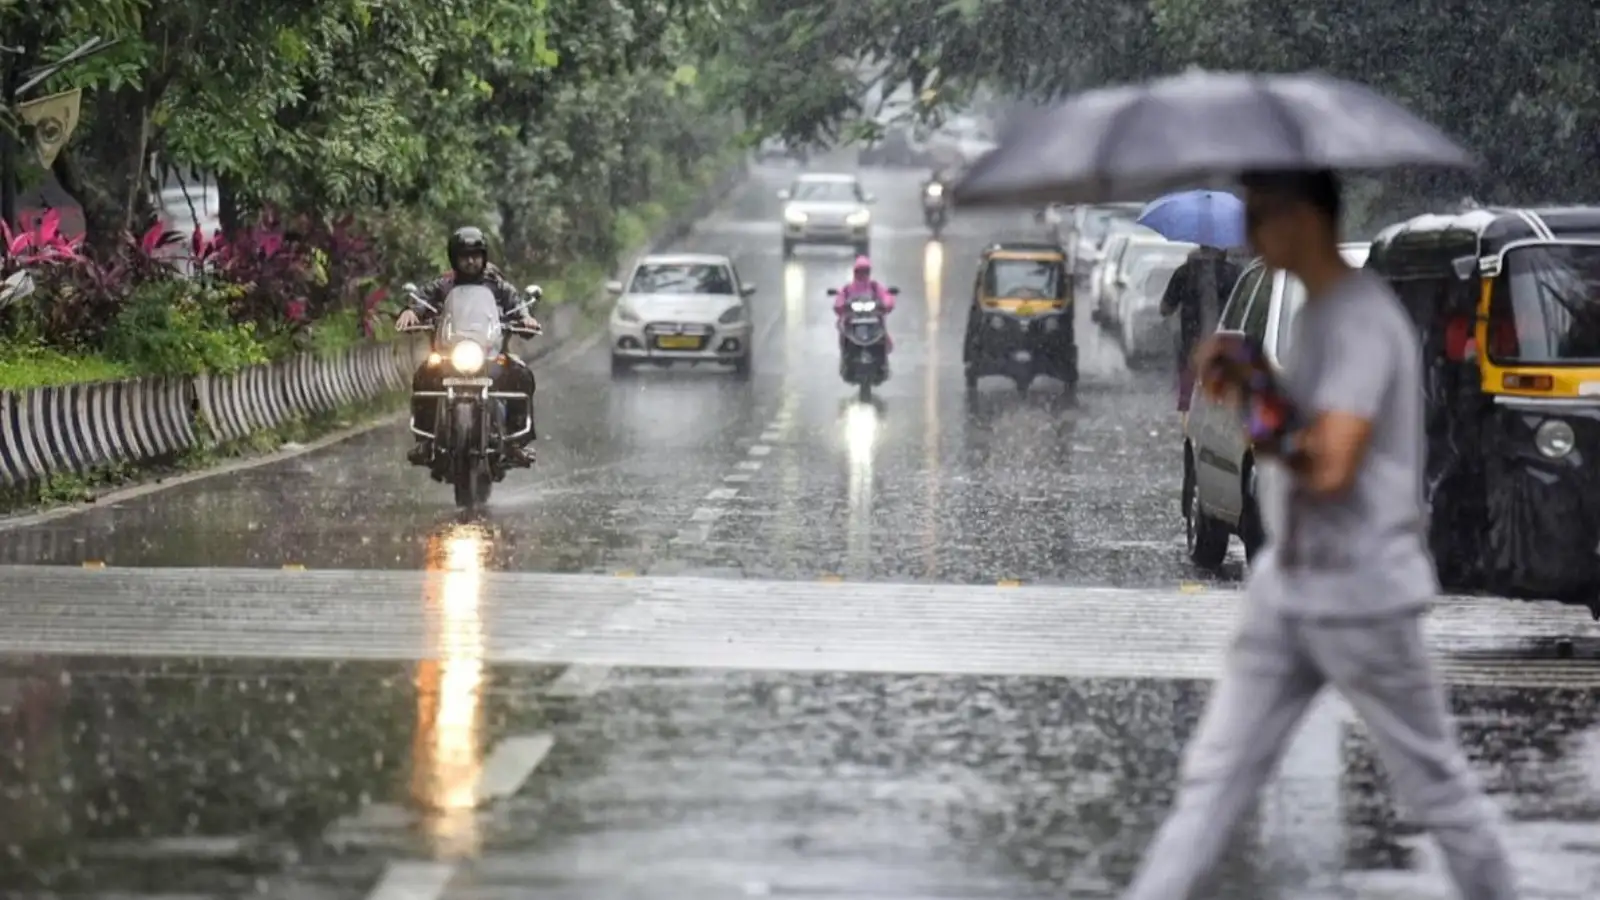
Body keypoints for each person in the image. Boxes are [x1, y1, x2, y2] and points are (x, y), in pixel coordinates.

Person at [1122, 169, 1516, 900]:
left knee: (1437, 790)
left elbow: (1329, 464)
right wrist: (1255, 387)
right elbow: (1293, 447)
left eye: (1265, 216)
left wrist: (1253, 393)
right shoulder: (1314, 318)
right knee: (1213, 781)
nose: (1253, 235)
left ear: (1304, 219)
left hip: (1360, 587)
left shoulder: (1362, 321)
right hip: (1288, 584)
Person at [395, 226, 541, 467]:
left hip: (491, 355)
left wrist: (525, 317)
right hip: (449, 355)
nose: (471, 261)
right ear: (455, 258)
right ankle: (424, 440)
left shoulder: (497, 285)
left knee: (522, 375)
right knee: (423, 375)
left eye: (476, 255)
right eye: (465, 256)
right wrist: (412, 311)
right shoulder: (444, 284)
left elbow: (516, 303)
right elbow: (423, 298)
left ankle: (516, 442)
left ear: (484, 257)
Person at [1160, 244, 1242, 428]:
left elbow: (1165, 308)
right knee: (1223, 391)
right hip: (1226, 345)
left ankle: (1188, 431)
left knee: (1188, 395)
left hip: (1192, 345)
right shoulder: (1235, 274)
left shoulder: (1184, 272)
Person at [834, 255, 895, 368]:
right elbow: (840, 299)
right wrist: (841, 305)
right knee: (843, 330)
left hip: (873, 321)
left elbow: (885, 296)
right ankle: (846, 359)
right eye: (859, 271)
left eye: (865, 271)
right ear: (855, 272)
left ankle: (882, 361)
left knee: (883, 336)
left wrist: (886, 304)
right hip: (852, 322)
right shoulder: (848, 289)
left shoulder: (875, 287)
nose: (862, 275)